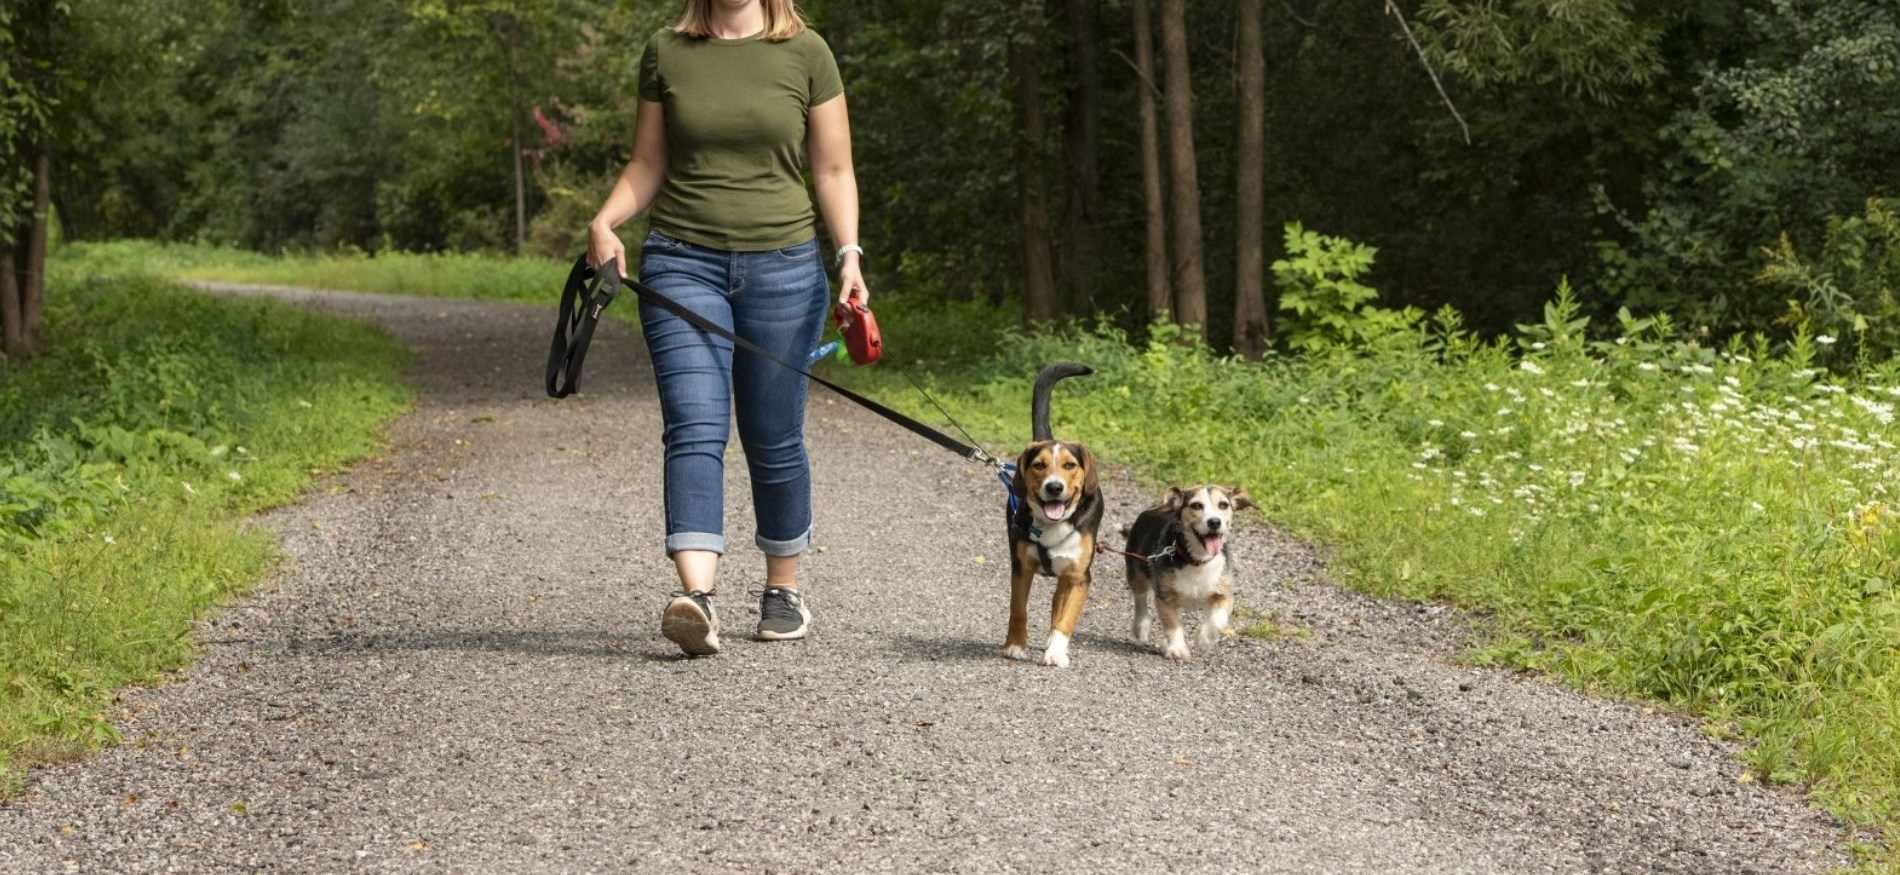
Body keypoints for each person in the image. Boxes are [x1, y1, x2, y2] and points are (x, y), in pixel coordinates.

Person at [587, 0, 867, 657]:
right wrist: (605, 220)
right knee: (694, 423)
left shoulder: (807, 54)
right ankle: (698, 600)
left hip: (787, 268)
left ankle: (783, 588)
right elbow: (647, 163)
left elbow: (832, 169)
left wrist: (849, 255)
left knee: (773, 433)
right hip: (682, 263)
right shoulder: (667, 51)